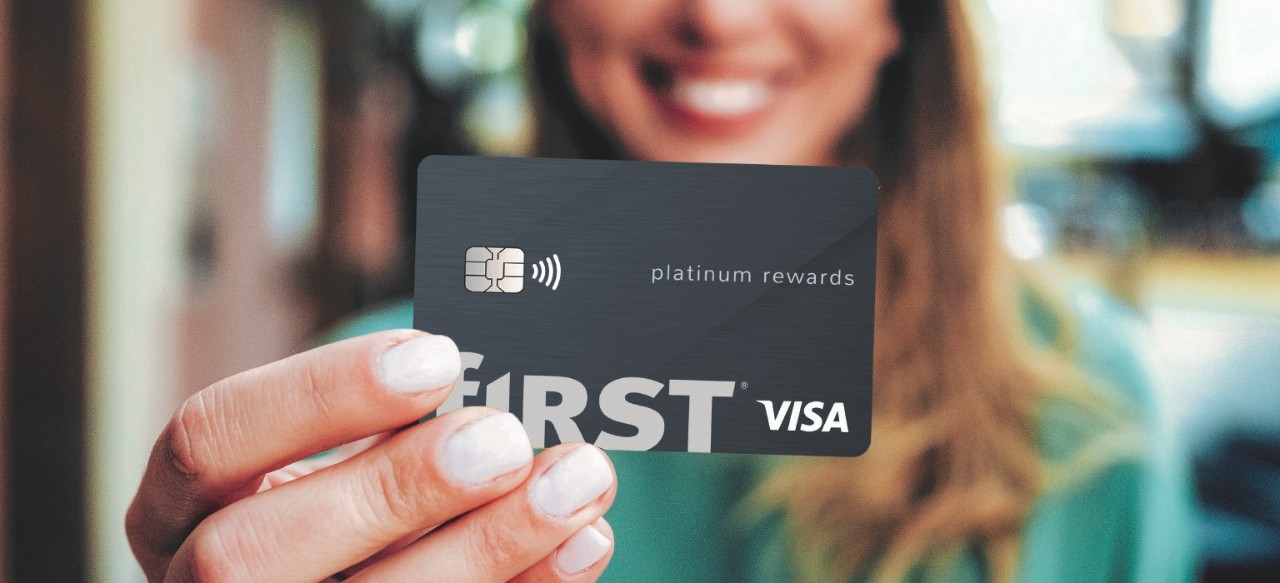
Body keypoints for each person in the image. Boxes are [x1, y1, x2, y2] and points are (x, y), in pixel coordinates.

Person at [127, 0, 1197, 581]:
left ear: (898, 19)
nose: (718, 17)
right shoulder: (366, 412)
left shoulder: (1086, 411)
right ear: (548, 14)